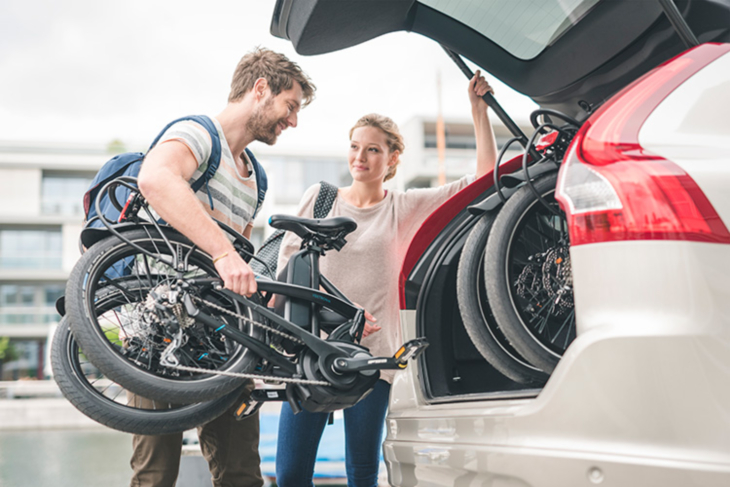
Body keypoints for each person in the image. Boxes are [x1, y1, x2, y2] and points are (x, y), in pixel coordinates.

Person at [274, 70, 497, 487]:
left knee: (362, 472)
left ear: (393, 158)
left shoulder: (404, 208)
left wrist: (478, 112)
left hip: (372, 359)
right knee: (290, 475)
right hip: (310, 354)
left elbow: (483, 180)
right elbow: (290, 273)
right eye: (355, 147)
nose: (360, 157)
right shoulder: (320, 199)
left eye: (373, 150)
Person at [130, 47, 315, 487]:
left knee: (241, 475)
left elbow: (240, 254)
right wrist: (222, 253)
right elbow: (156, 179)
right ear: (259, 89)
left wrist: (256, 289)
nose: (292, 121)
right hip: (160, 325)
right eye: (290, 106)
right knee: (155, 475)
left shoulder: (256, 176)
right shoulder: (198, 134)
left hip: (221, 339)